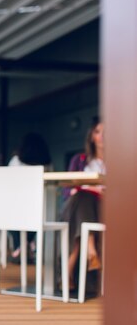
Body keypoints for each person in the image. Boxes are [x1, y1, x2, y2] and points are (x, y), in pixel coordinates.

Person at [61, 121, 105, 293]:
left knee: (84, 197)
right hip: (76, 207)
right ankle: (91, 251)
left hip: (103, 210)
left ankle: (67, 271)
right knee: (82, 197)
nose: (103, 136)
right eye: (98, 131)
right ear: (91, 136)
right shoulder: (79, 160)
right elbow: (66, 190)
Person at [7, 132, 52, 263]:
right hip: (39, 209)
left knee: (9, 213)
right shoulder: (47, 164)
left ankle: (19, 246)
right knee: (35, 216)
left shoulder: (16, 161)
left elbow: (8, 184)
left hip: (16, 208)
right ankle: (28, 243)